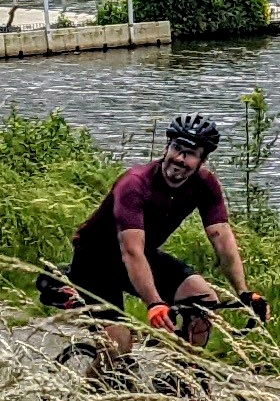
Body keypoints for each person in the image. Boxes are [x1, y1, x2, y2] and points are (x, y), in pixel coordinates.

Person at [48, 113, 263, 368]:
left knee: (205, 301)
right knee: (118, 346)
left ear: (202, 160)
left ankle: (179, 379)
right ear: (166, 147)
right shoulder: (135, 184)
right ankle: (89, 400)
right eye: (176, 148)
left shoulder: (205, 185)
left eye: (191, 153)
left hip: (142, 255)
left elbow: (222, 238)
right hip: (95, 263)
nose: (180, 159)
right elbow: (131, 252)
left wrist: (244, 293)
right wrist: (155, 303)